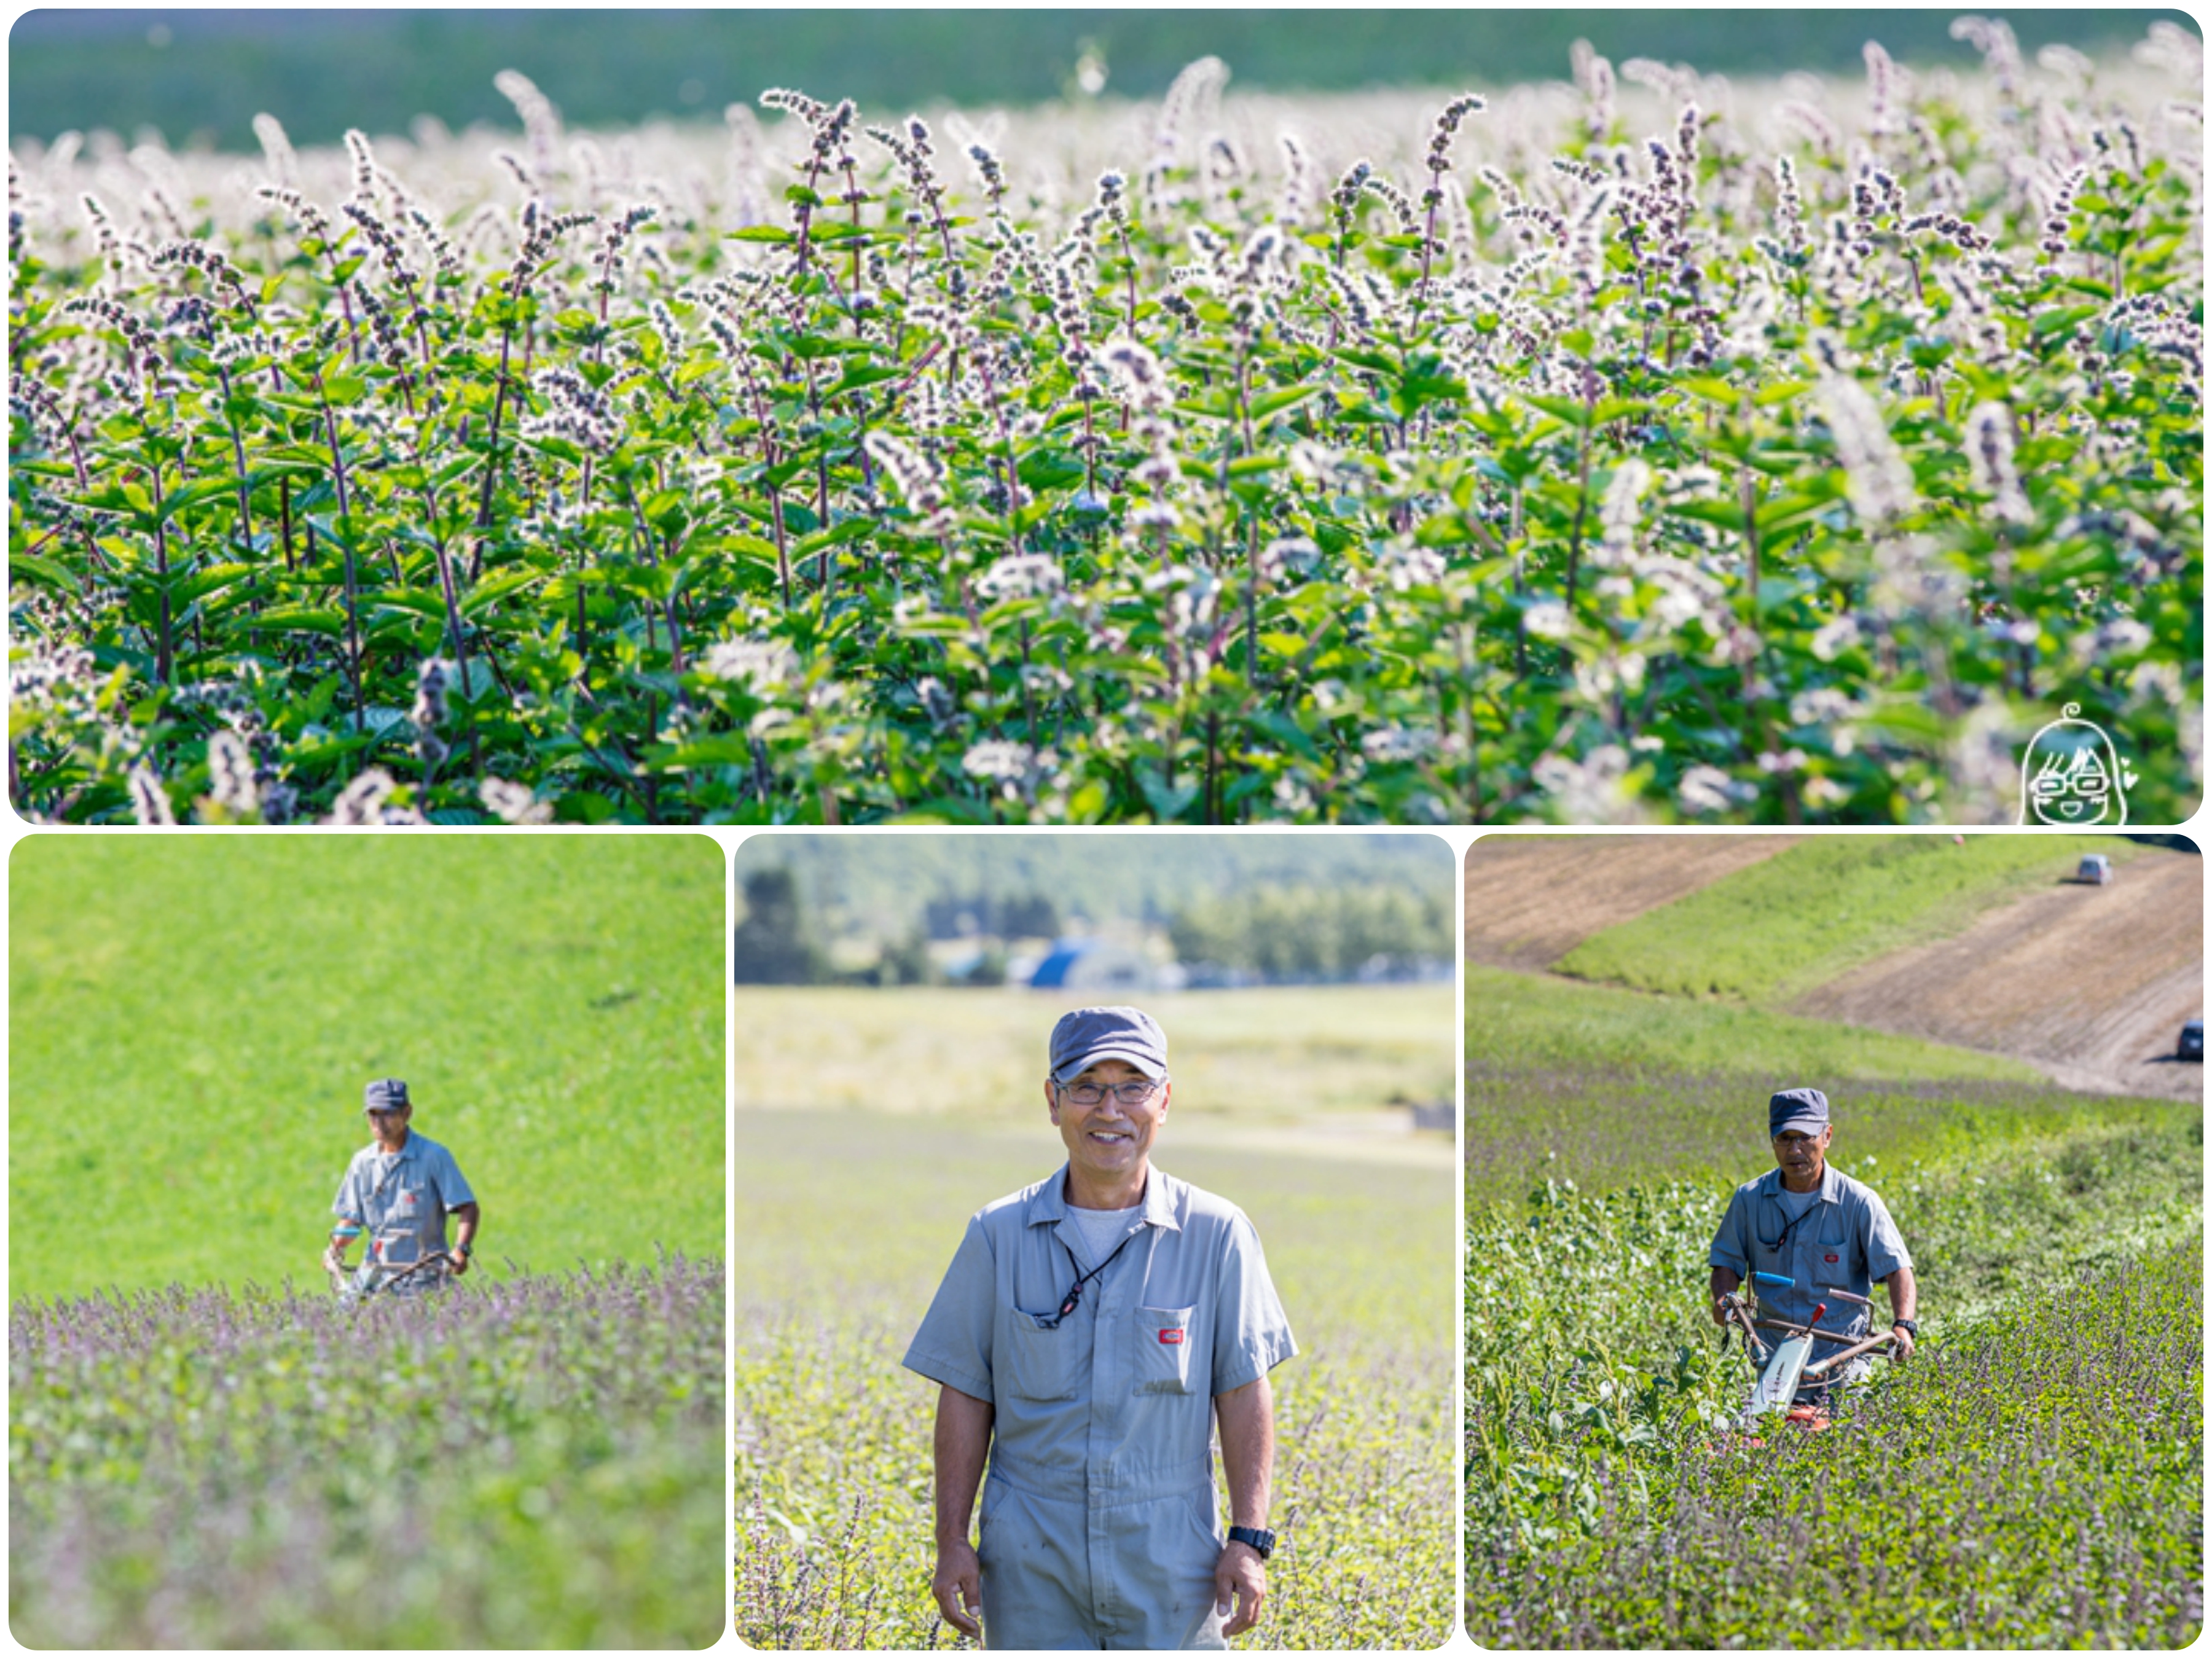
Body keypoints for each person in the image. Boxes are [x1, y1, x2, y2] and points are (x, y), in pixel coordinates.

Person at [903, 1006, 1298, 1650]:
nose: (1110, 1109)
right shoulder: (997, 1236)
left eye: (1132, 1086)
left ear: (1163, 1101)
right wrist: (952, 1543)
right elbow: (967, 1395)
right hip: (1030, 1571)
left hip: (1173, 1570)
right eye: (1086, 1086)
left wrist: (1248, 1542)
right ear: (1053, 1101)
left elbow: (1243, 1392)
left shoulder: (1218, 1234)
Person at [1708, 1087, 1918, 1410]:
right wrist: (1725, 1299)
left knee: (1846, 1439)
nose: (1795, 1149)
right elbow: (1727, 1263)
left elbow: (1897, 1268)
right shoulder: (1749, 1201)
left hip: (1843, 1359)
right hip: (1773, 1357)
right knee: (1765, 1438)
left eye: (1805, 1138)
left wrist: (1903, 1326)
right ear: (1772, 1139)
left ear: (1827, 1136)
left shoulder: (1858, 1202)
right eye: (1785, 1138)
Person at [325, 1078, 480, 1292]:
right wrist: (336, 1247)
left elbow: (467, 1208)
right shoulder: (362, 1163)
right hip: (374, 1274)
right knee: (344, 1318)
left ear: (407, 1113)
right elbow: (352, 1221)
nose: (379, 1122)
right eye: (373, 1114)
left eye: (387, 1113)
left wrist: (461, 1250)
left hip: (425, 1277)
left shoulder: (434, 1157)